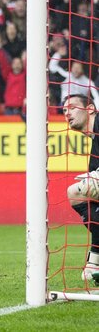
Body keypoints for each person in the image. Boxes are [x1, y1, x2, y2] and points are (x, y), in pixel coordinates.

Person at [63, 94, 99, 285]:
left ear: (90, 109)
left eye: (72, 107)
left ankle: (95, 258)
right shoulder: (95, 152)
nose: (67, 113)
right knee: (77, 193)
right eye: (64, 110)